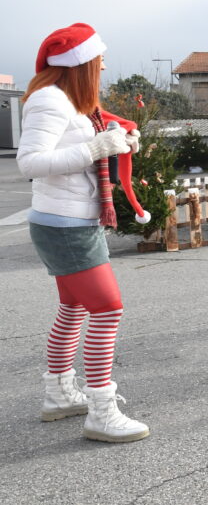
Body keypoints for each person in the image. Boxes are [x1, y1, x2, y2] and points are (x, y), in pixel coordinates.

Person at [17, 23, 149, 442]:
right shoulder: (50, 101)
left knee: (74, 309)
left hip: (66, 219)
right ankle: (101, 413)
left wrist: (119, 140)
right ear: (80, 63)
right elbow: (30, 163)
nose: (105, 64)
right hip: (65, 223)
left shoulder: (71, 102)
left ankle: (59, 395)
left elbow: (86, 142)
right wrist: (98, 148)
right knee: (108, 309)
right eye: (100, 57)